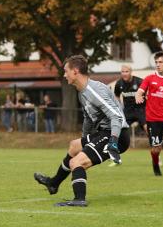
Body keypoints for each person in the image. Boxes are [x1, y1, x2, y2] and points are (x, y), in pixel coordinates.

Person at [34, 55, 129, 207]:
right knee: (74, 146)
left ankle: (79, 199)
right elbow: (89, 119)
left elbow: (117, 118)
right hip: (103, 132)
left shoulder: (94, 90)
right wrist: (85, 139)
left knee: (76, 162)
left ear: (75, 71)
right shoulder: (82, 91)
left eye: (66, 71)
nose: (64, 75)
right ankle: (54, 183)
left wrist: (113, 142)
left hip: (116, 135)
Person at [114, 64, 147, 138]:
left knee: (147, 128)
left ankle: (154, 145)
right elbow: (116, 96)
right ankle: (117, 147)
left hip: (141, 110)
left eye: (126, 71)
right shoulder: (119, 84)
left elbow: (148, 94)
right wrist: (118, 108)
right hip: (128, 111)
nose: (124, 74)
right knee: (120, 129)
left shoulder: (139, 82)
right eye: (122, 72)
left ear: (131, 72)